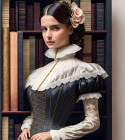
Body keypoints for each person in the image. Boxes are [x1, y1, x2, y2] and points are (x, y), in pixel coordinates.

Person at [18, 0, 109, 140]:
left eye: (55, 28)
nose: (48, 35)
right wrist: (26, 127)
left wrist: (53, 135)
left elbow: (93, 123)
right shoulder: (37, 74)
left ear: (70, 29)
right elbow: (38, 113)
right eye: (44, 29)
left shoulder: (84, 71)